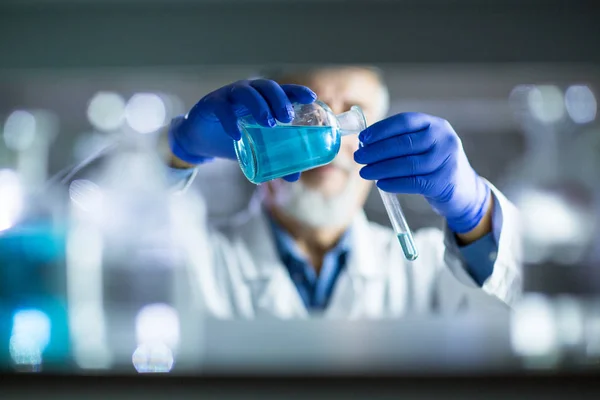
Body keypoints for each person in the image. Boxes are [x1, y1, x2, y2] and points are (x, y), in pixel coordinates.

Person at [162, 66, 521, 318]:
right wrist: (178, 151)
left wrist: (476, 214)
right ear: (262, 123)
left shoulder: (422, 270)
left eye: (355, 111)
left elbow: (515, 320)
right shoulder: (197, 259)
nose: (326, 135)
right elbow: (118, 239)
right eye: (305, 115)